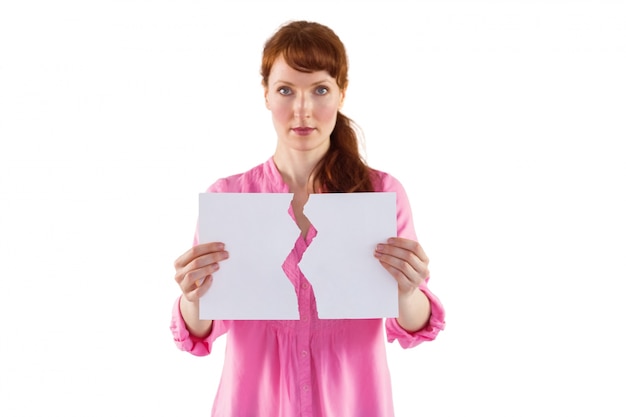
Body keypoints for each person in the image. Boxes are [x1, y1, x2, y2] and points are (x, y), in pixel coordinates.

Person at [171, 20, 446, 417]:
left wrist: (408, 291)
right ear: (265, 94)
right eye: (286, 90)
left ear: (341, 93)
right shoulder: (229, 198)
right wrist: (192, 296)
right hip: (254, 406)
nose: (302, 110)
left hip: (351, 406)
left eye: (320, 90)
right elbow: (202, 330)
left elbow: (414, 324)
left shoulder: (380, 195)